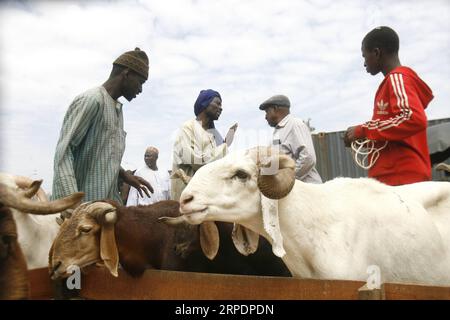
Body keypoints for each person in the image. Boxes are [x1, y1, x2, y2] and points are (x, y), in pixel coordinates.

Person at [52, 48, 154, 203]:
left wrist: (124, 175)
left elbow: (101, 156)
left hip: (105, 205)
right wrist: (72, 204)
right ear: (126, 74)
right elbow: (64, 152)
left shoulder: (117, 111)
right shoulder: (92, 100)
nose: (140, 89)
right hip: (83, 210)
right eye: (140, 82)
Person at [344, 26, 434, 186]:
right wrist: (362, 135)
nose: (364, 63)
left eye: (365, 56)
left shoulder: (397, 79)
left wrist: (362, 130)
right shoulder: (395, 82)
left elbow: (413, 118)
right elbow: (394, 129)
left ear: (377, 53)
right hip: (398, 177)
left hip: (401, 177)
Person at [171, 89, 237, 201]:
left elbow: (222, 163)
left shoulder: (214, 134)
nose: (221, 108)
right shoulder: (188, 128)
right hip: (187, 198)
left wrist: (225, 143)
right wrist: (224, 147)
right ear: (204, 103)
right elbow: (196, 160)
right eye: (217, 103)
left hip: (209, 198)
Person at [259, 94, 322, 184]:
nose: (265, 117)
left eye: (267, 112)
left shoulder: (295, 124)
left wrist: (287, 179)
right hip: (291, 190)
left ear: (275, 108)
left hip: (306, 190)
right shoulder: (279, 131)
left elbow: (308, 157)